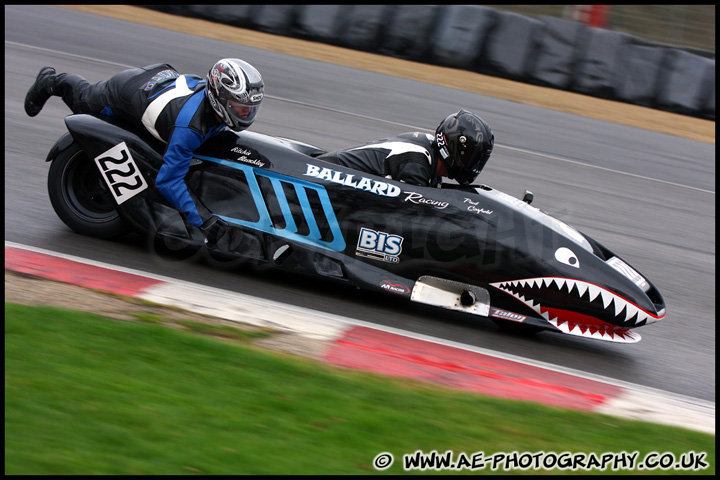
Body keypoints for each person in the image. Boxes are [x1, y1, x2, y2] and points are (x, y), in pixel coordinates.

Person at [23, 58, 265, 246]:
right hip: (128, 91)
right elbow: (168, 180)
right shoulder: (188, 128)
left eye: (250, 108)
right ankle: (51, 80)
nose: (246, 114)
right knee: (83, 100)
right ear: (218, 99)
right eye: (240, 108)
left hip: (166, 83)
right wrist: (203, 219)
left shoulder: (212, 110)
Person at [316, 109, 494, 187]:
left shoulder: (430, 160)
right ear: (454, 146)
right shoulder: (418, 161)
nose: (473, 165)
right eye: (470, 156)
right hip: (323, 177)